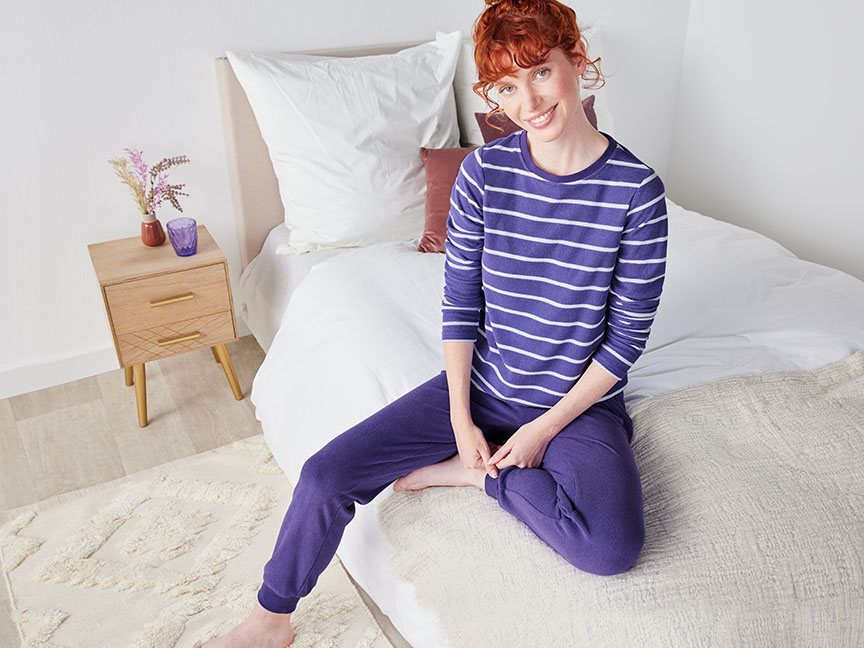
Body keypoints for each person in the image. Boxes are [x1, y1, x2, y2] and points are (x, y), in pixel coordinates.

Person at [202, 0, 667, 645]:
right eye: (507, 86)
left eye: (540, 71)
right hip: (484, 385)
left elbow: (625, 341)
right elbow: (460, 302)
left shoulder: (637, 190)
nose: (529, 102)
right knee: (326, 475)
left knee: (611, 548)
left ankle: (475, 478)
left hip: (575, 405)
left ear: (577, 60)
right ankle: (268, 620)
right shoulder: (483, 174)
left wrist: (538, 432)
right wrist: (459, 415)